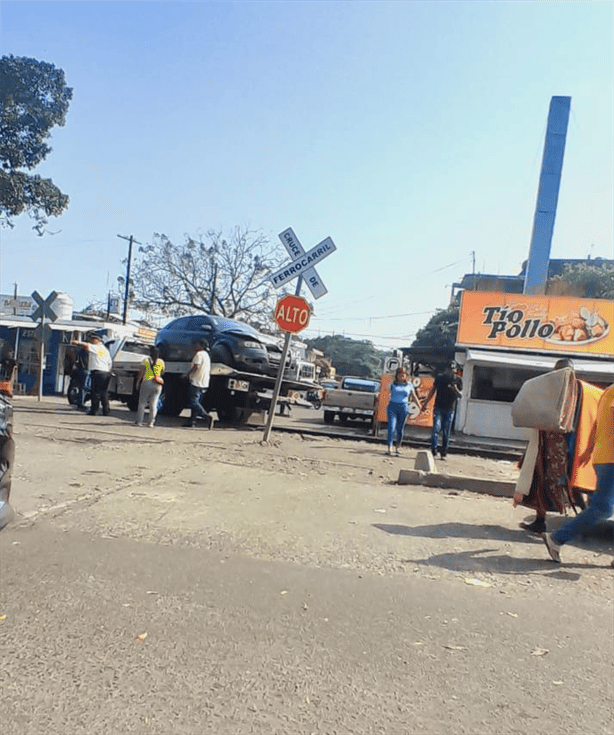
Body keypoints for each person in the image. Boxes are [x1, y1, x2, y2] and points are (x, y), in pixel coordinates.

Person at [514, 358, 603, 535]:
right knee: (539, 482)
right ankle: (540, 521)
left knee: (573, 484)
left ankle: (584, 523)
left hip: (571, 445)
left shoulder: (582, 391)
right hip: (546, 445)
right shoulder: (549, 389)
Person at [543, 382, 614, 565]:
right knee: (602, 508)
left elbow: (597, 424)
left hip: (604, 457)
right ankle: (557, 538)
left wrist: (590, 450)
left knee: (603, 506)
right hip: (611, 459)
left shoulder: (608, 391)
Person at [421, 363, 462, 460]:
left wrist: (456, 389)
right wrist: (426, 402)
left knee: (446, 431)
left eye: (453, 369)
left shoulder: (458, 380)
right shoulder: (440, 378)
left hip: (449, 408)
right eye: (449, 369)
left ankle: (444, 452)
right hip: (439, 407)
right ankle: (433, 450)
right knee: (436, 429)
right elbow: (433, 390)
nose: (451, 371)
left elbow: (460, 395)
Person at [71, 334, 112, 416]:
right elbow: (109, 363)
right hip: (106, 373)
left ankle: (94, 410)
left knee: (95, 392)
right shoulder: (104, 350)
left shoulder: (97, 347)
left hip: (98, 372)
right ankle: (106, 410)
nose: (91, 341)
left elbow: (87, 345)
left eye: (92, 340)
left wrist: (78, 342)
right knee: (104, 393)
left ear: (96, 340)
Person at [386, 367, 416, 456]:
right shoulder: (393, 384)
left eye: (403, 375)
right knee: (391, 427)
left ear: (406, 376)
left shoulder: (409, 385)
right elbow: (388, 391)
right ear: (397, 376)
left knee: (400, 428)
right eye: (399, 375)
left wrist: (420, 405)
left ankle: (398, 446)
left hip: (403, 407)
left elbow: (414, 396)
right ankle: (389, 447)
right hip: (392, 406)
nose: (401, 376)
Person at [135, 345, 165, 428]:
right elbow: (162, 372)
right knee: (154, 403)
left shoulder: (146, 360)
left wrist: (138, 382)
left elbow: (141, 372)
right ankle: (151, 423)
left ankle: (139, 422)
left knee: (142, 403)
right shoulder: (161, 362)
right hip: (157, 383)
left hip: (147, 382)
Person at [184, 340, 211, 427]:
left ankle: (206, 416)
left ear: (201, 346)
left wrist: (188, 374)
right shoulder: (207, 355)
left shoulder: (199, 354)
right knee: (197, 402)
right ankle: (192, 422)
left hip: (196, 381)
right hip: (204, 382)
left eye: (197, 344)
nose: (196, 346)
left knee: (193, 401)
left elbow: (196, 366)